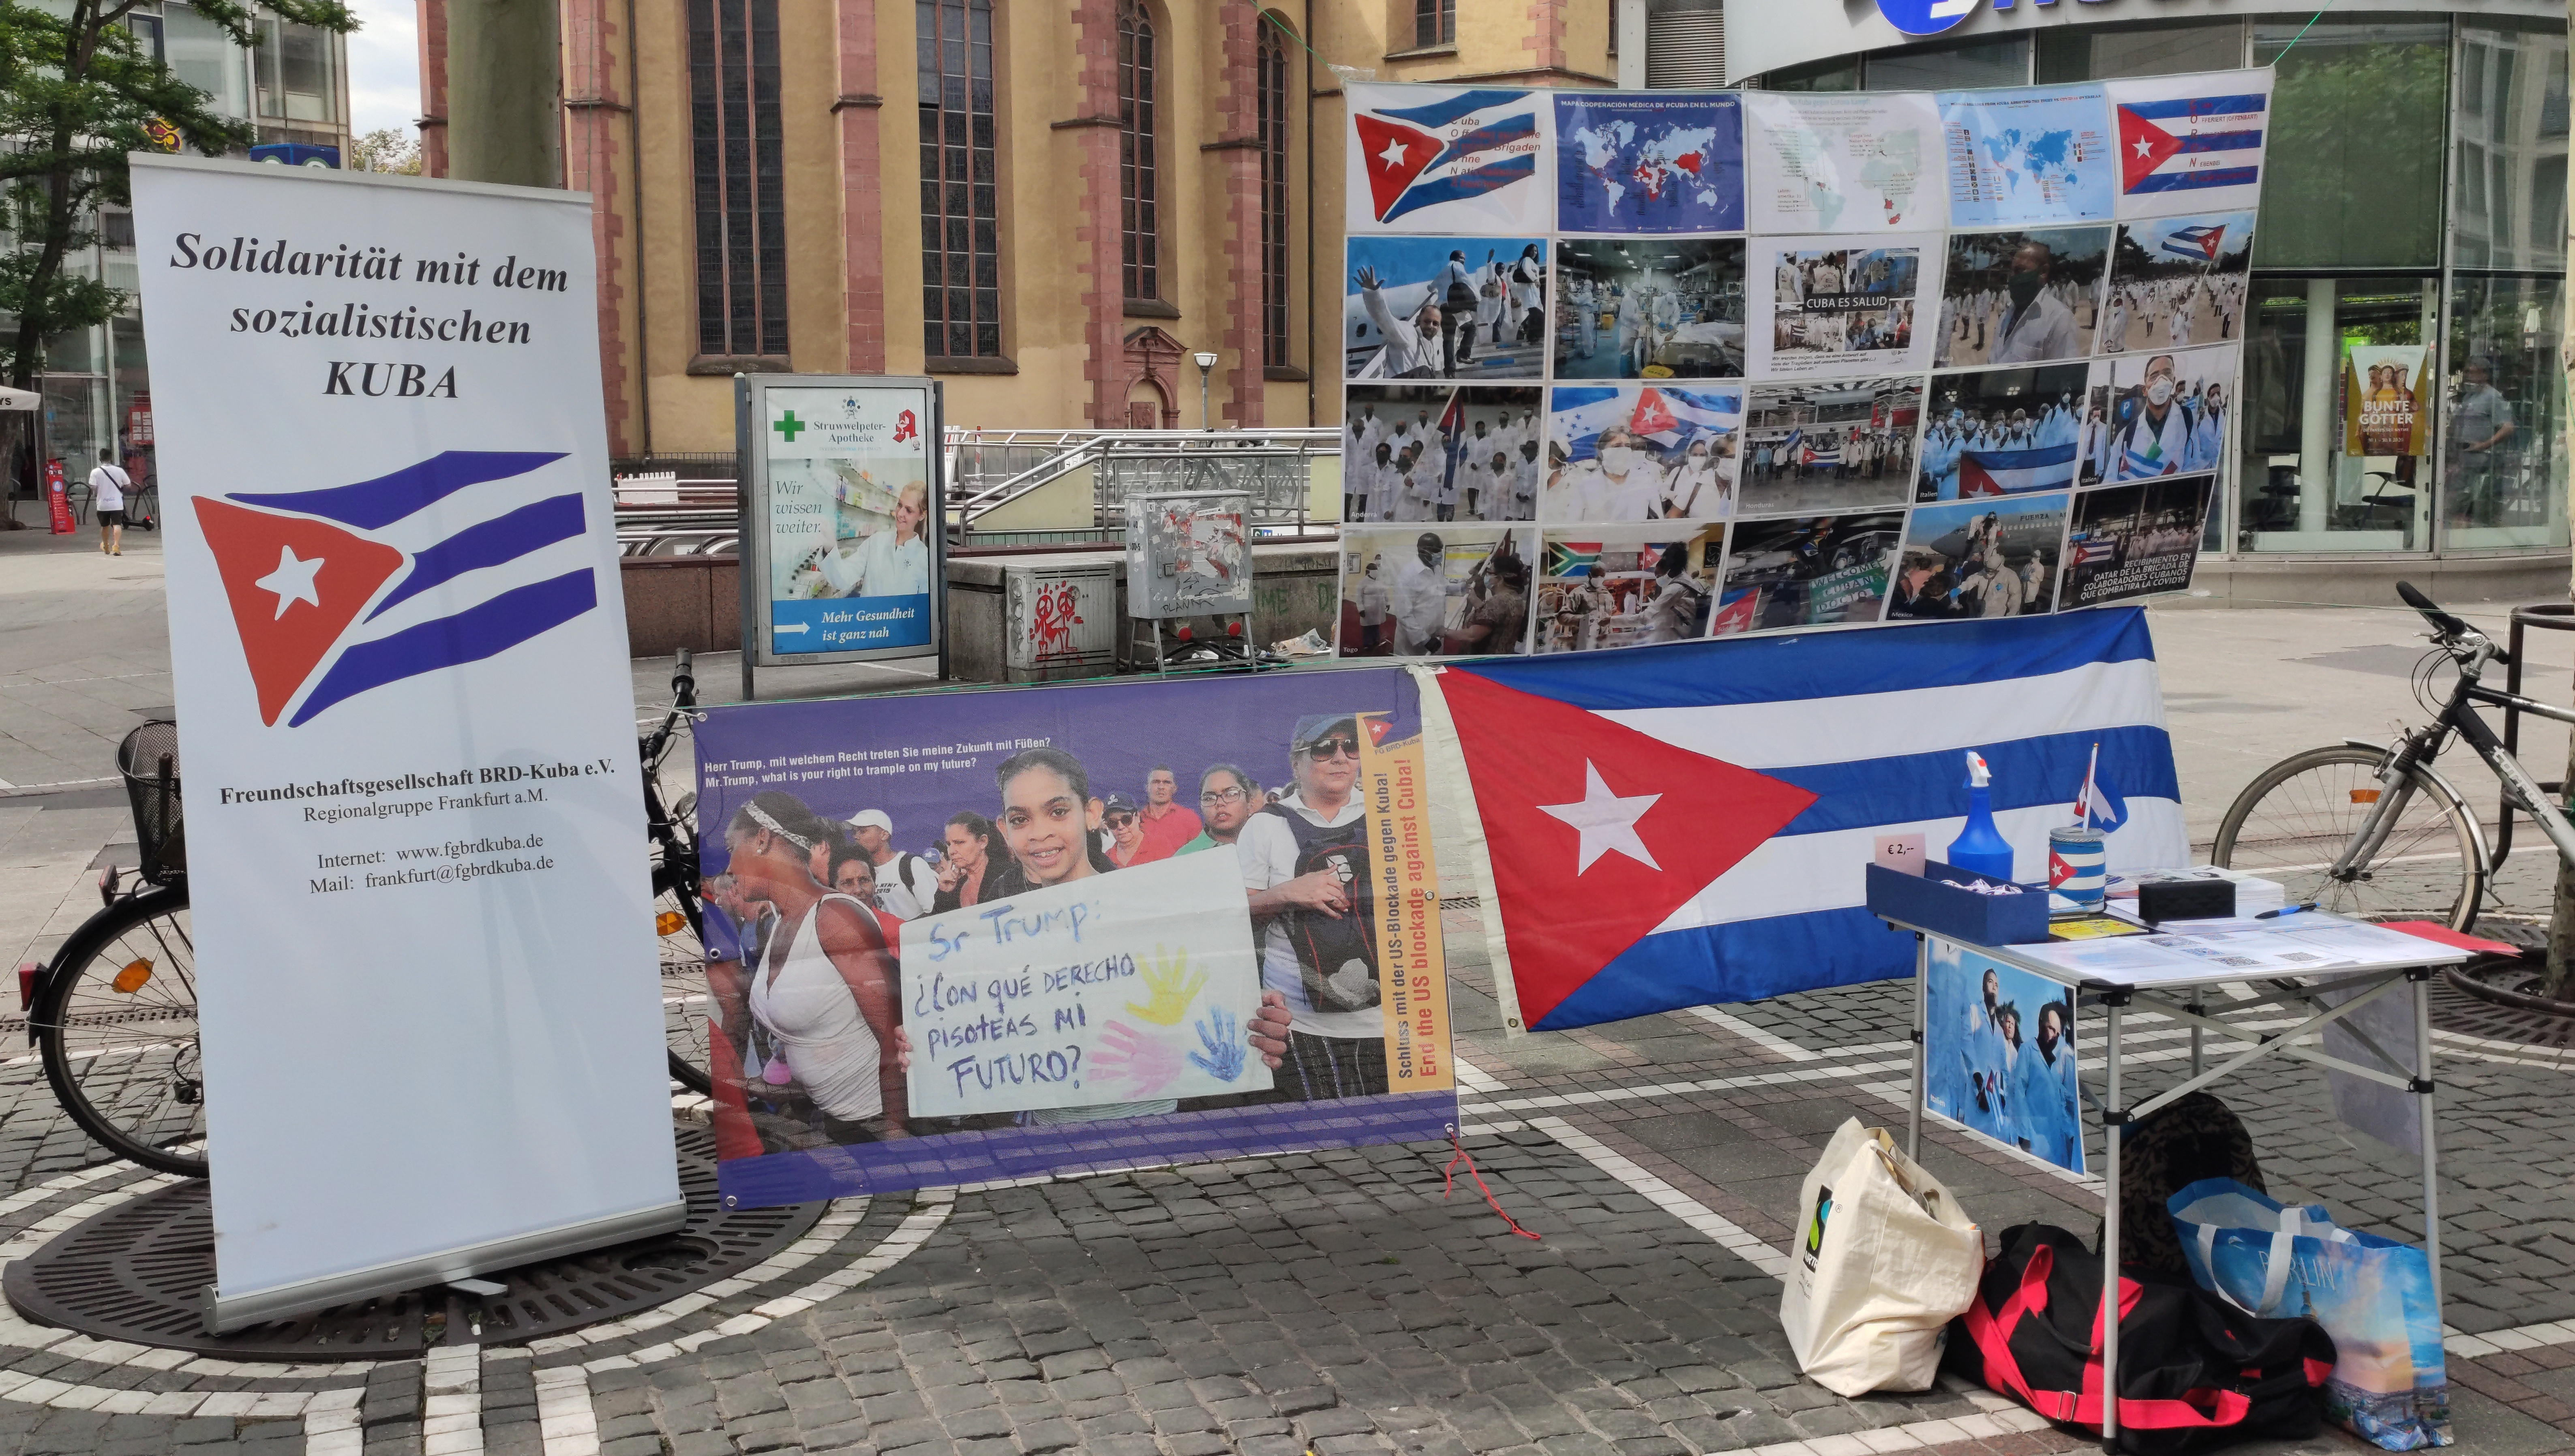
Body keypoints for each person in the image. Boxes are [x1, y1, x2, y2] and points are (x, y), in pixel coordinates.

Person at [720, 792, 908, 1142]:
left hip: (872, 1124)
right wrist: (737, 1087)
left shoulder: (836, 917)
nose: (729, 868)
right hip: (833, 1122)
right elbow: (815, 1042)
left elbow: (892, 1032)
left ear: (762, 839)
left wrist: (895, 1134)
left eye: (733, 848)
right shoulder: (780, 924)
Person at [1237, 714, 1387, 1098]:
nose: (1340, 758)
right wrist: (1290, 892)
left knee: (1389, 1142)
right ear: (1295, 763)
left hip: (1385, 1017)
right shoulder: (1265, 826)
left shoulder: (1389, 814)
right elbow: (1236, 912)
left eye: (1350, 747)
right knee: (1321, 1143)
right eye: (1323, 748)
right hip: (1300, 1021)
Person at [819, 480, 930, 597]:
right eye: (900, 505)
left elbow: (924, 608)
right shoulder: (876, 542)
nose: (900, 514)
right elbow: (842, 579)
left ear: (922, 516)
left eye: (909, 510)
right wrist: (830, 549)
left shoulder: (924, 558)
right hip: (868, 616)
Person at [2012, 1000, 2080, 1167]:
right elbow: (2019, 1092)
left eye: (2058, 1034)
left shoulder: (2055, 1065)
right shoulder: (2028, 1050)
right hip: (2036, 1140)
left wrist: (2071, 1134)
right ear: (2040, 1025)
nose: (2054, 1037)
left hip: (2057, 1145)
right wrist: (2024, 1135)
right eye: (2051, 1029)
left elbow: (2061, 1105)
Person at [2449, 356, 2515, 526]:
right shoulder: (2469, 398)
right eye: (2466, 372)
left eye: (2472, 372)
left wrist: (2483, 446)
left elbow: (2508, 428)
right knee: (2457, 504)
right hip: (2463, 460)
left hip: (2481, 461)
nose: (2468, 376)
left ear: (2484, 375)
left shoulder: (2492, 397)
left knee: (2470, 505)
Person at [2110, 355, 2192, 480]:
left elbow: (2193, 465)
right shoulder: (2126, 435)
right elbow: (2110, 479)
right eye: (2154, 376)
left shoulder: (2186, 420)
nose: (2161, 380)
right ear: (2145, 390)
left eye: (2167, 373)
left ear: (2173, 381)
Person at [847, 809, 938, 919]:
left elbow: (934, 911)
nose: (856, 837)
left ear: (884, 835)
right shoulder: (861, 872)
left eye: (863, 831)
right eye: (854, 832)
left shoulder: (911, 864)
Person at [1352, 266, 1439, 379]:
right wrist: (1373, 293)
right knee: (1426, 371)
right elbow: (1383, 318)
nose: (1431, 326)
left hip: (1413, 391)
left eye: (1436, 324)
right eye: (1427, 321)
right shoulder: (1407, 332)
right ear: (1418, 321)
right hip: (1397, 388)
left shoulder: (1429, 346)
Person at [1445, 554, 1527, 653]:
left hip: (1485, 660)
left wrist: (1444, 632)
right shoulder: (1515, 598)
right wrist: (1477, 602)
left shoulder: (1499, 601)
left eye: (1489, 572)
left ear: (1500, 579)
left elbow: (1473, 635)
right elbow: (1496, 620)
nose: (1487, 576)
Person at [1177, 765, 1258, 855]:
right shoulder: (1185, 857)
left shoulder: (1269, 844)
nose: (1220, 803)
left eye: (1231, 794)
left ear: (1249, 802)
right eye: (1209, 798)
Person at [1389, 534, 1447, 655]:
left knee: (1434, 672)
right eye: (1436, 551)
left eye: (1440, 550)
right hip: (1414, 643)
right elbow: (1404, 615)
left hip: (1436, 636)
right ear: (1423, 551)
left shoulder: (1436, 569)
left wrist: (1462, 587)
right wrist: (1425, 640)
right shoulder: (1408, 576)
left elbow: (1441, 588)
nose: (1440, 554)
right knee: (1411, 672)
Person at [1133, 764, 1202, 861]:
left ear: (1174, 789)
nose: (1161, 787)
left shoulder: (1190, 818)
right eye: (1156, 782)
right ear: (1147, 788)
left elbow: (1200, 854)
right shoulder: (1135, 821)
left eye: (1166, 782)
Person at [1639, 547, 1703, 644]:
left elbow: (1646, 617)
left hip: (1678, 639)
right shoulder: (1688, 582)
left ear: (1669, 570)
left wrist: (1612, 621)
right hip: (1682, 634)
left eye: (1658, 576)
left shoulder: (1674, 590)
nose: (1658, 580)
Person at [88, 448, 128, 556]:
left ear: (100, 458)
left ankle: (106, 545)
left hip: (103, 504)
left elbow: (93, 487)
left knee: (104, 526)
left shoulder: (95, 472)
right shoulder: (119, 471)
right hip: (117, 503)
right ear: (111, 458)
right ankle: (116, 546)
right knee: (117, 525)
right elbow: (128, 484)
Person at [1102, 793, 1149, 867]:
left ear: (1138, 817)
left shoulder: (1160, 846)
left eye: (1126, 820)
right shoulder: (1107, 859)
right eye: (1113, 823)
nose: (1120, 827)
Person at [1355, 558, 1390, 652]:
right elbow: (1359, 597)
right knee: (1367, 627)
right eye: (1374, 570)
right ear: (1369, 572)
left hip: (1379, 609)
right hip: (1368, 610)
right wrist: (1361, 609)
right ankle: (1367, 645)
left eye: (1376, 570)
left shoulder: (1380, 582)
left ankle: (1376, 641)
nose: (1376, 572)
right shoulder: (1362, 583)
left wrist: (1387, 603)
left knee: (1376, 626)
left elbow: (1385, 593)